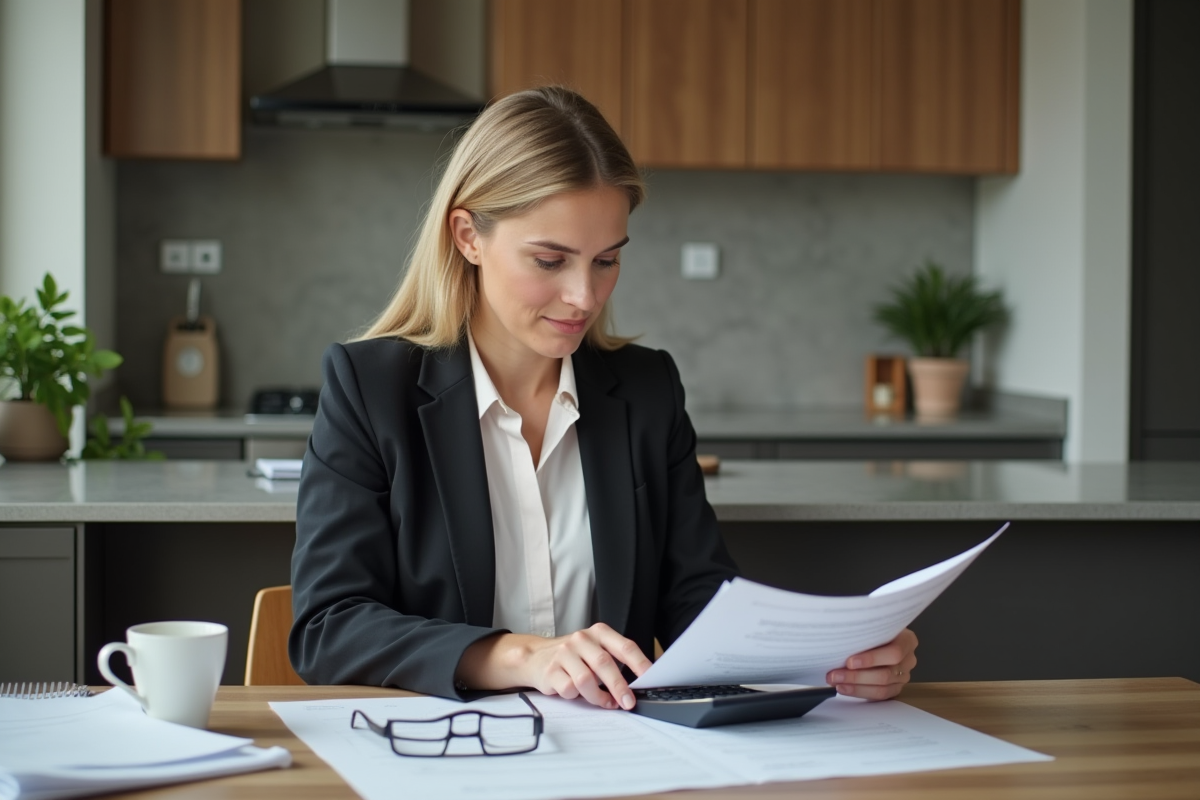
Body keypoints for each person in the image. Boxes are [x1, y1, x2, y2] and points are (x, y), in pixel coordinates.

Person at [290, 86, 918, 712]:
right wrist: (521, 654)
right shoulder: (370, 388)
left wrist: (832, 658)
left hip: (614, 755)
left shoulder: (647, 391)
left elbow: (694, 598)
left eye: (606, 260)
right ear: (467, 236)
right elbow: (329, 627)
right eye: (549, 260)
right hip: (447, 754)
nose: (584, 297)